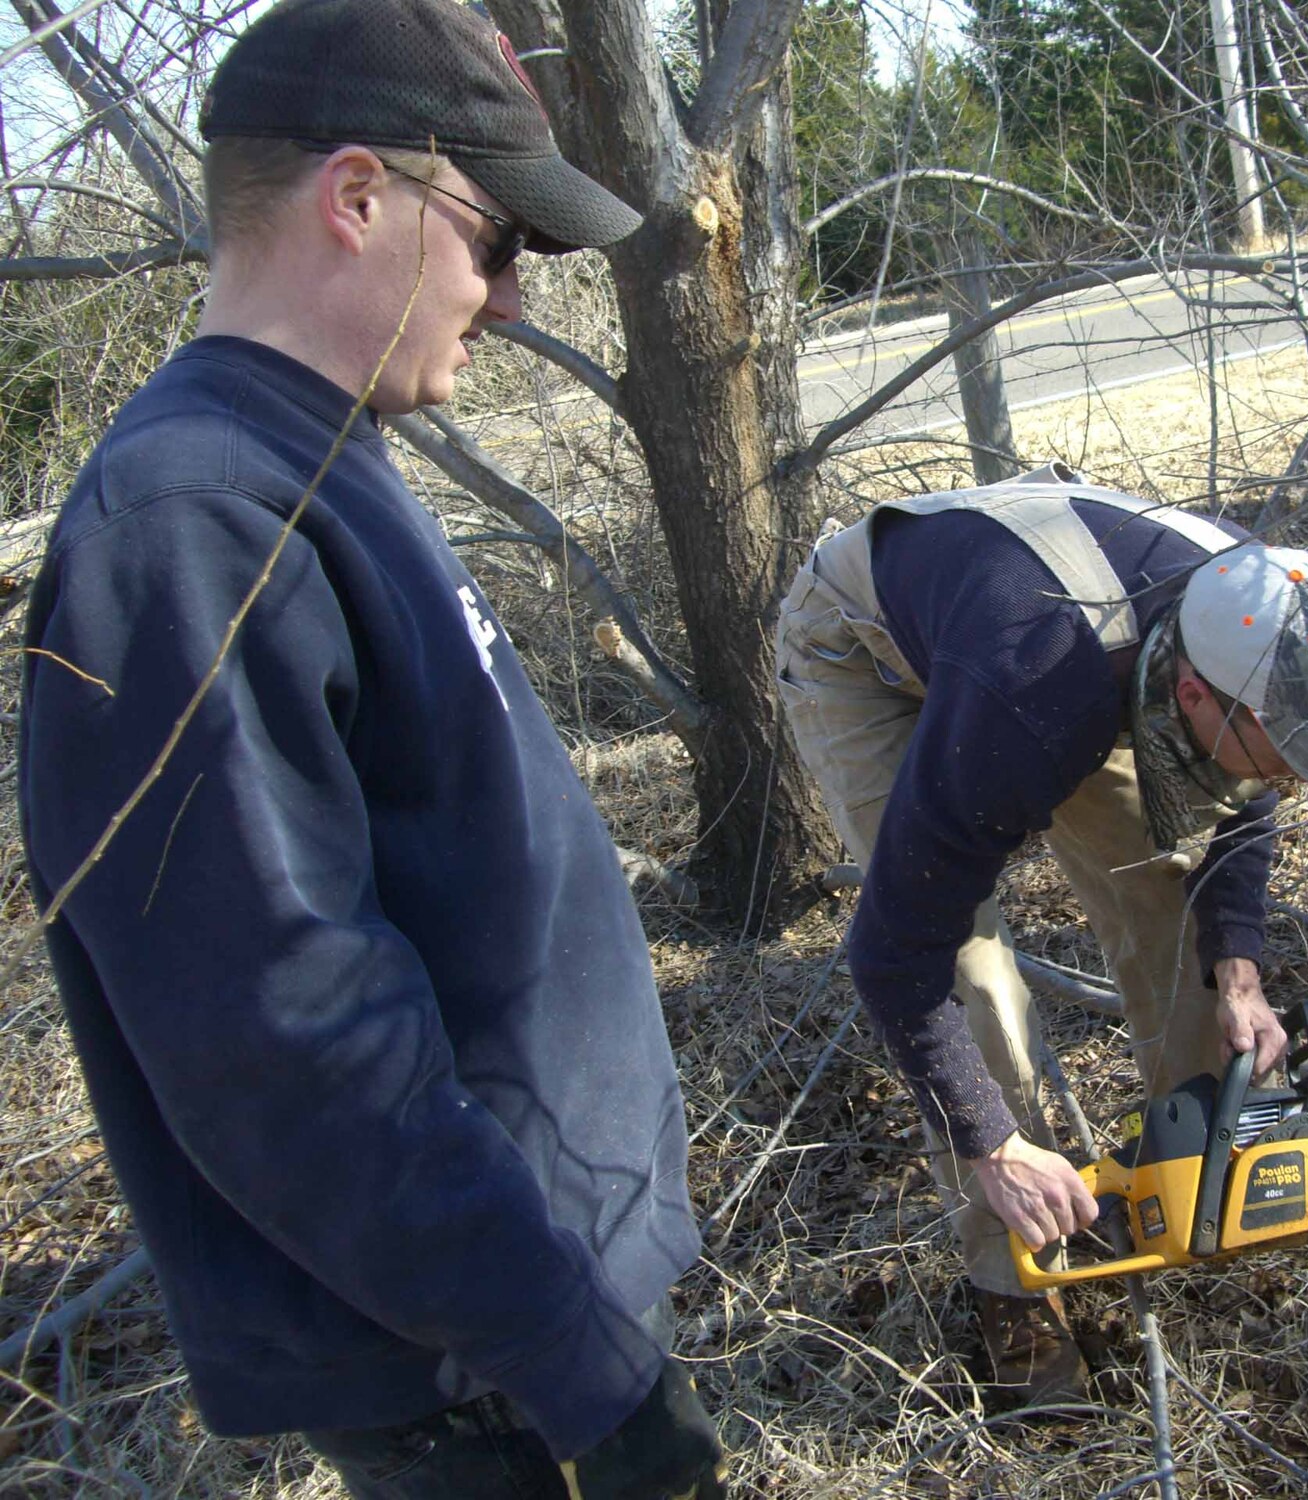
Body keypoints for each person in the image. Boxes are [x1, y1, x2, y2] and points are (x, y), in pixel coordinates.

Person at [17, 1, 724, 1494]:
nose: (514, 296)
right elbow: (287, 1039)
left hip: (528, 1334)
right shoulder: (194, 525)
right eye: (498, 240)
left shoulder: (316, 455)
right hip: (480, 1383)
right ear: (356, 198)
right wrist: (571, 1358)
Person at [774, 466, 1308, 1407]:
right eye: (1284, 749)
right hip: (867, 655)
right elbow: (893, 953)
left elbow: (1247, 796)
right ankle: (1013, 1279)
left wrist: (1237, 968)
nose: (1295, 776)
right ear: (1193, 697)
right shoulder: (1034, 695)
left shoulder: (1259, 613)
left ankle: (1205, 1168)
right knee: (969, 971)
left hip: (1045, 633)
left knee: (1172, 903)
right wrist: (992, 1142)